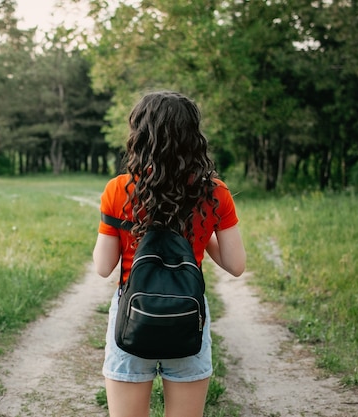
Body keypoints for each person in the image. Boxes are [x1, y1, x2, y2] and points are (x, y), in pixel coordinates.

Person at [92, 91, 246, 417]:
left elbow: (104, 266)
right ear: (193, 137)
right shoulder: (215, 192)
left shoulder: (119, 189)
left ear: (140, 135)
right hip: (187, 312)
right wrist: (199, 238)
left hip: (133, 310)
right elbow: (235, 265)